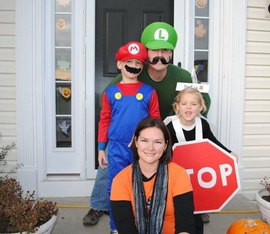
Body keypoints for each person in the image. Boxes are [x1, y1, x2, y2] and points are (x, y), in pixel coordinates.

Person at [83, 21, 211, 226]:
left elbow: (204, 100)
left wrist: (184, 121)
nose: (159, 55)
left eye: (165, 50)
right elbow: (107, 102)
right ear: (146, 54)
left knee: (185, 156)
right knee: (108, 162)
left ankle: (195, 205)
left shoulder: (183, 76)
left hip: (169, 126)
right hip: (131, 130)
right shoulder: (134, 70)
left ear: (171, 54)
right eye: (154, 50)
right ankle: (99, 204)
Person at [97, 41, 161, 234]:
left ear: (142, 67)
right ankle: (117, 227)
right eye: (129, 61)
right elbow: (104, 120)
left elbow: (155, 121)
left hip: (142, 149)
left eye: (138, 63)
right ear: (119, 64)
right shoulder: (111, 92)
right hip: (116, 148)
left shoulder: (149, 92)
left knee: (143, 185)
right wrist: (101, 147)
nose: (133, 66)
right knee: (115, 186)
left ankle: (142, 223)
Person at [164, 87, 239, 234]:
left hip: (198, 177)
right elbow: (164, 148)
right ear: (177, 106)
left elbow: (213, 143)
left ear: (200, 107)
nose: (188, 107)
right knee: (179, 211)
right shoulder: (170, 126)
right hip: (177, 176)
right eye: (184, 103)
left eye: (193, 104)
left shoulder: (203, 125)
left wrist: (229, 153)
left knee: (197, 211)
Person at [110, 117, 195, 234]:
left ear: (165, 145)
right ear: (136, 142)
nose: (150, 148)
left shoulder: (178, 174)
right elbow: (125, 228)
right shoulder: (120, 180)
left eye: (158, 142)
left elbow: (185, 223)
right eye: (144, 140)